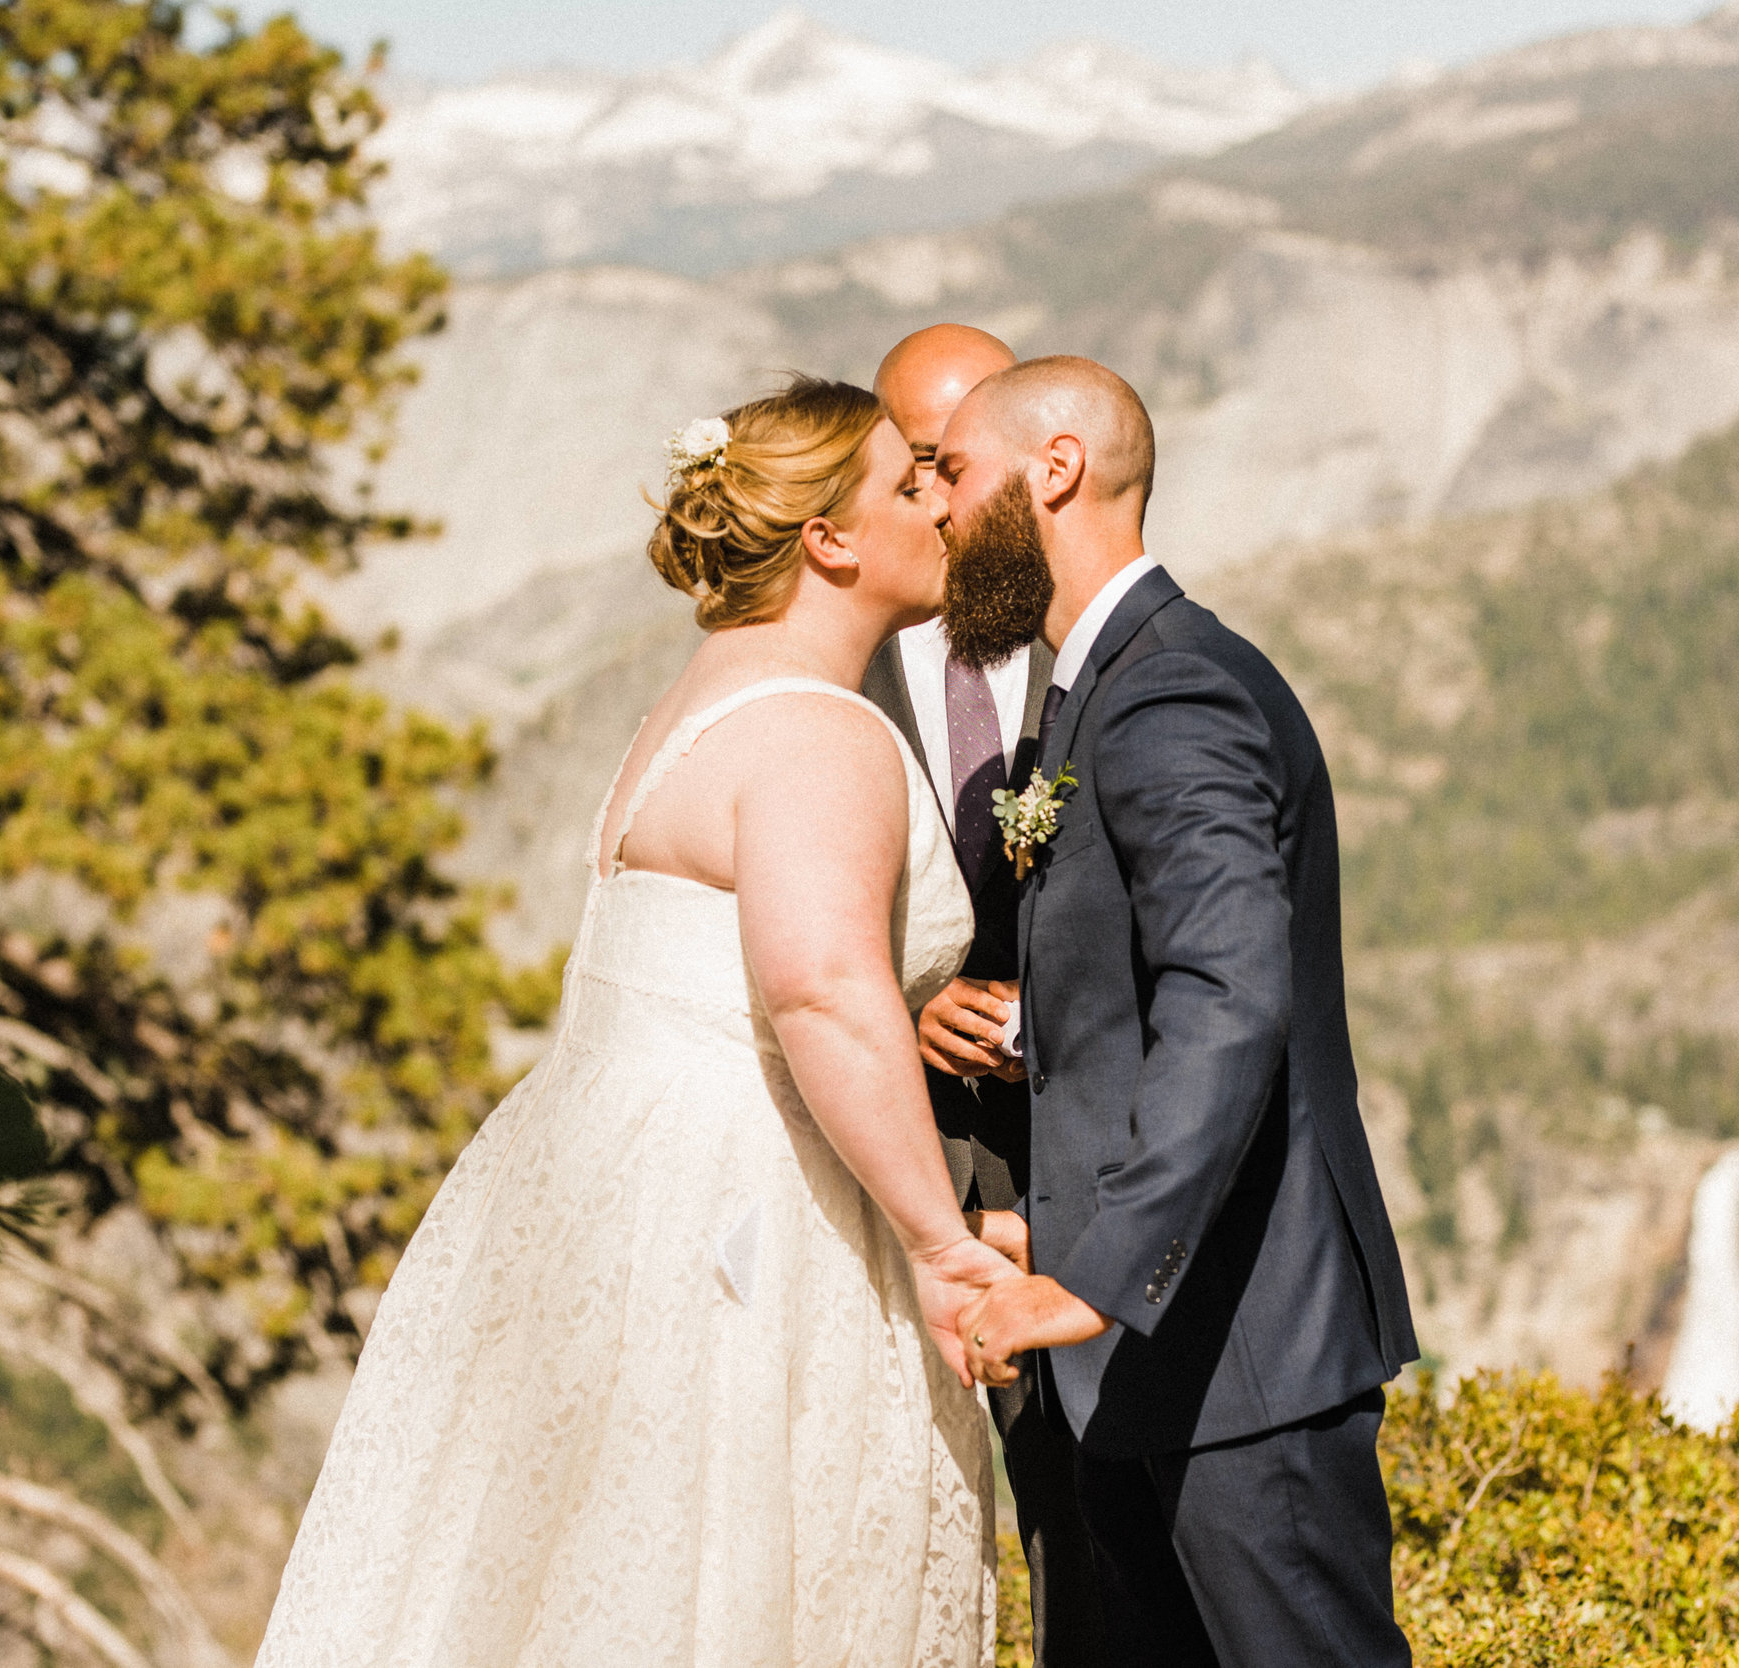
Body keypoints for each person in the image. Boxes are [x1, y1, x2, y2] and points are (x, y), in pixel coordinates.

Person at [253, 377, 1017, 1668]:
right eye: (908, 484)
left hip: (609, 1187)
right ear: (828, 538)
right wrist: (942, 1248)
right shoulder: (818, 730)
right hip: (744, 1224)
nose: (943, 503)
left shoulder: (694, 709)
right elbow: (822, 989)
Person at [939, 358, 1423, 1667]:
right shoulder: (1102, 691)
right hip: (1168, 1361)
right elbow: (1150, 995)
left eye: (956, 474)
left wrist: (1091, 1282)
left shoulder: (1171, 691)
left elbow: (1232, 995)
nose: (936, 512)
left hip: (1240, 1353)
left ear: (1055, 468)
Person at [860, 323, 1103, 1665]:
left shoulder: (1096, 659)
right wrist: (902, 1015)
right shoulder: (839, 663)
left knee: (1084, 1518)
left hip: (1070, 1172)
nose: (947, 499)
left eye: (965, 460)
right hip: (889, 1169)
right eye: (924, 463)